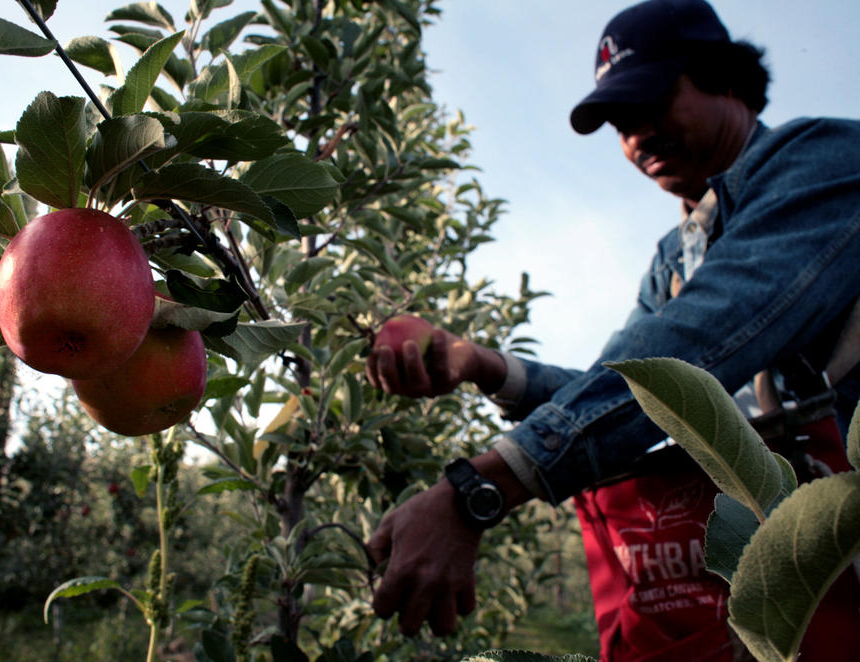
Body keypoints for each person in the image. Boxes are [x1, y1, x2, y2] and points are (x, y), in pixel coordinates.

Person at [364, 0, 860, 659]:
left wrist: (480, 490)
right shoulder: (673, 258)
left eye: (653, 102)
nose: (636, 136)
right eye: (620, 123)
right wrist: (485, 365)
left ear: (727, 80)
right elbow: (626, 389)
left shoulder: (824, 162)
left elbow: (687, 353)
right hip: (783, 574)